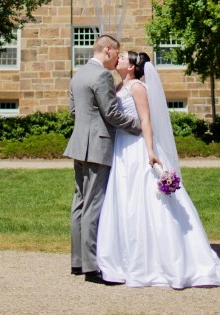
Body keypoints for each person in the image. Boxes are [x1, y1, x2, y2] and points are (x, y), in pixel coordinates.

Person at [96, 51, 220, 289]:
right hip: (122, 148)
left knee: (146, 201)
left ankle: (159, 261)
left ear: (131, 67)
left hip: (137, 146)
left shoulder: (138, 87)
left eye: (122, 58)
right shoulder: (121, 86)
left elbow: (146, 120)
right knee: (125, 199)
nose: (117, 59)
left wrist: (151, 151)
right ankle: (125, 259)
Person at [63, 34, 142, 284]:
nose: (117, 60)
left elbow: (74, 111)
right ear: (107, 50)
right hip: (97, 145)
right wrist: (138, 125)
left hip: (78, 144)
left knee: (79, 202)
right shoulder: (102, 76)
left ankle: (77, 261)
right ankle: (91, 266)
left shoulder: (78, 73)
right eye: (117, 55)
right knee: (93, 204)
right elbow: (111, 113)